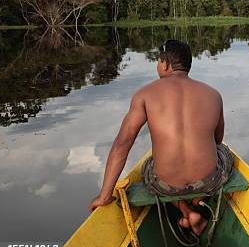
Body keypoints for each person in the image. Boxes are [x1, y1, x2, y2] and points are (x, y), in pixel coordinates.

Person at [88, 39, 232, 235]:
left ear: (165, 64)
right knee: (223, 151)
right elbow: (217, 140)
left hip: (165, 186)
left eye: (158, 61)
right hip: (208, 181)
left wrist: (105, 196)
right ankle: (198, 203)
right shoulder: (214, 94)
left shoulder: (145, 94)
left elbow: (122, 144)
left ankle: (185, 209)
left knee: (149, 165)